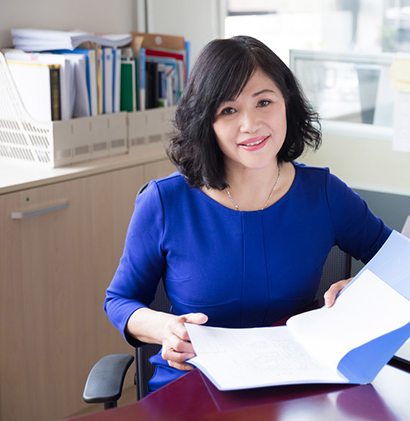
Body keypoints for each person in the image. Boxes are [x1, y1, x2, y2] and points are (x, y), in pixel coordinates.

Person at [104, 35, 392, 393]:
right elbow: (119, 301)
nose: (250, 124)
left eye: (264, 102)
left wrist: (363, 291)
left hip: (295, 383)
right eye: (228, 110)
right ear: (205, 121)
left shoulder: (325, 194)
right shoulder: (164, 202)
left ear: (287, 104)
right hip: (194, 385)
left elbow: (402, 264)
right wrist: (166, 328)